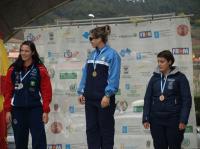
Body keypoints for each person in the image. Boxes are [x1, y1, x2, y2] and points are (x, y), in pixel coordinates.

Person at [77, 25, 121, 149]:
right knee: (91, 130)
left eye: (91, 38)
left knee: (105, 130)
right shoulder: (92, 54)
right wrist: (81, 92)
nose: (90, 41)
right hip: (90, 98)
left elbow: (114, 77)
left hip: (104, 99)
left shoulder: (112, 55)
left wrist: (107, 95)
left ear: (100, 39)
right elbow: (85, 74)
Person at [4, 41, 52, 149]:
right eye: (22, 50)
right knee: (20, 142)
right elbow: (8, 92)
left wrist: (45, 110)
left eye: (27, 51)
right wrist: (7, 110)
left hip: (35, 110)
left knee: (39, 141)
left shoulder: (40, 69)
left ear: (33, 52)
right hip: (17, 110)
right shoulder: (13, 69)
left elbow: (46, 91)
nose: (23, 53)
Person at [142, 50, 192, 149]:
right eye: (158, 61)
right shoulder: (154, 78)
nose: (159, 64)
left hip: (174, 120)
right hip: (156, 120)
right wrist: (146, 118)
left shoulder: (180, 78)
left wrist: (183, 119)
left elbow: (186, 100)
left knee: (174, 146)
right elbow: (147, 99)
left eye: (162, 61)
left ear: (169, 62)